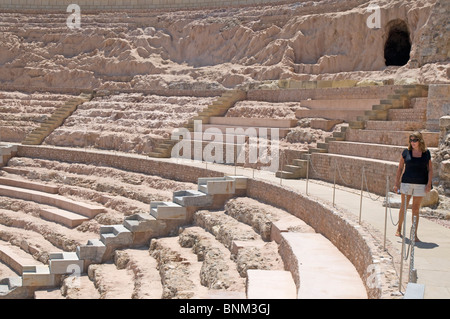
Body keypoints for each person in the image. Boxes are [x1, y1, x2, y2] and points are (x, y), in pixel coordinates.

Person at [393, 131, 433, 242]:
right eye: (411, 140)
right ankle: (399, 228)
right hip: (406, 183)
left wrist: (429, 183)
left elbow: (430, 169)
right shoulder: (406, 152)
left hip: (421, 184)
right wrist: (396, 183)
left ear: (420, 140)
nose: (412, 142)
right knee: (404, 206)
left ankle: (414, 234)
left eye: (414, 140)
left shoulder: (426, 153)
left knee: (416, 209)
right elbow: (400, 168)